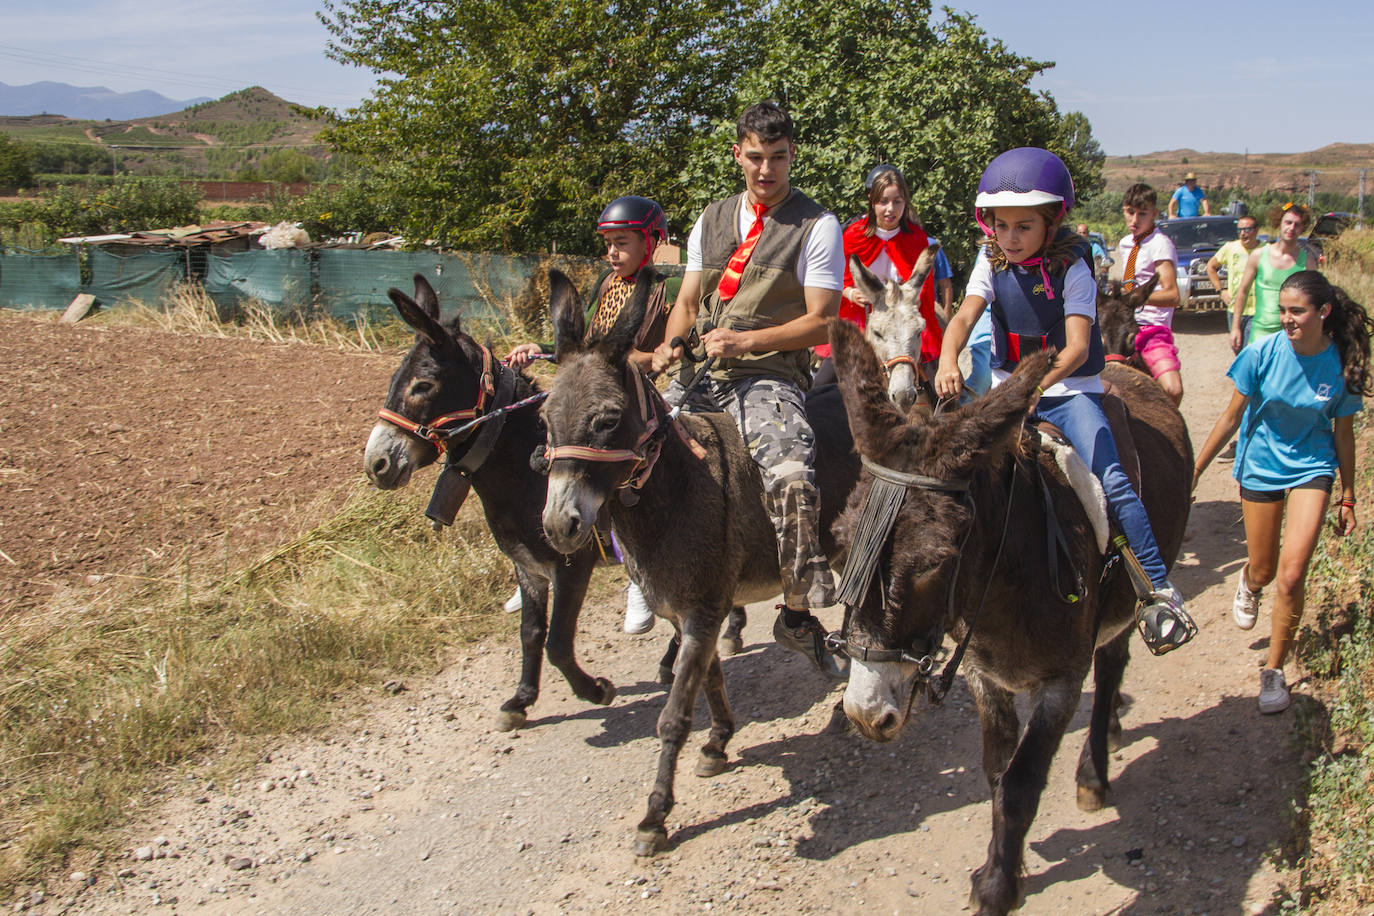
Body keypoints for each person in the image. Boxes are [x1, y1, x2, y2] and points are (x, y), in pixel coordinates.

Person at [934, 147, 1194, 655]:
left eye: (1023, 226)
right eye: (1001, 225)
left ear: (1052, 223)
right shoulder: (989, 264)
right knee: (946, 472)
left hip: (1067, 391)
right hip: (1010, 390)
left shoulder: (1074, 269)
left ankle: (1157, 589)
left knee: (1114, 482)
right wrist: (948, 359)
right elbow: (963, 318)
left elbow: (1076, 346)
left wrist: (1032, 389)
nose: (1010, 237)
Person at [651, 102, 846, 678]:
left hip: (769, 375)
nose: (767, 170)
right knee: (625, 448)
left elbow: (823, 321)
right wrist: (669, 347)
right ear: (737, 153)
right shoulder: (709, 219)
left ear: (793, 156)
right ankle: (653, 581)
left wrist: (748, 343)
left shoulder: (817, 225)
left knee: (789, 468)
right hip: (698, 374)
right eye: (756, 157)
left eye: (778, 158)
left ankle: (796, 603)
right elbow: (686, 304)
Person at [1192, 270, 1369, 713]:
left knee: (1292, 575)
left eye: (1296, 311)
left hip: (1313, 466)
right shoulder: (1262, 353)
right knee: (1267, 570)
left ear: (1323, 312)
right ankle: (1249, 582)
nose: (1286, 319)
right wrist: (1193, 471)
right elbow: (1231, 419)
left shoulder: (1340, 363)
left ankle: (1274, 670)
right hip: (1262, 466)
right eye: (1282, 311)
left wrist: (1348, 495)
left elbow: (1343, 434)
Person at [506, 195, 678, 633]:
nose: (612, 253)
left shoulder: (668, 288)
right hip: (607, 389)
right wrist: (543, 352)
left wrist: (655, 356)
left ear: (651, 243)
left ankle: (639, 575)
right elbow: (591, 351)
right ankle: (545, 557)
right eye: (608, 244)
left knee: (625, 458)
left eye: (621, 243)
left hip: (657, 391)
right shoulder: (607, 283)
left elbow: (664, 353)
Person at [812, 164, 942, 384]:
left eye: (897, 201)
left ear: (905, 202)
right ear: (871, 201)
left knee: (933, 384)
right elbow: (834, 280)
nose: (890, 209)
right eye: (883, 202)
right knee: (822, 385)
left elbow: (924, 287)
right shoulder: (853, 236)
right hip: (859, 318)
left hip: (900, 320)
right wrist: (852, 294)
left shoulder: (916, 238)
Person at [1118, 183, 1185, 405]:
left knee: (1173, 389)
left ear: (1155, 214)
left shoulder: (1160, 245)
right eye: (1130, 212)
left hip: (1151, 330)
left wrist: (1132, 298)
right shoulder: (1125, 243)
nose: (1134, 220)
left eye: (1142, 214)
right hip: (1123, 328)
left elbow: (1173, 295)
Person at [1230, 202, 1312, 352]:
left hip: (1292, 339)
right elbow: (1242, 291)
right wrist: (1235, 327)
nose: (1291, 228)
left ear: (1302, 229)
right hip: (1260, 335)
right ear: (1279, 223)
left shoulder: (1307, 262)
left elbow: (1315, 300)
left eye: (1297, 225)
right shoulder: (1259, 255)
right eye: (1288, 222)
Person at [1207, 213, 1263, 347]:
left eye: (1247, 230)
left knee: (1250, 351)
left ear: (1256, 230)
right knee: (1237, 348)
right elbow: (1211, 267)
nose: (1243, 234)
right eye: (1239, 230)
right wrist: (1221, 291)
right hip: (1234, 310)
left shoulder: (1266, 250)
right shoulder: (1230, 248)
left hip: (1258, 311)